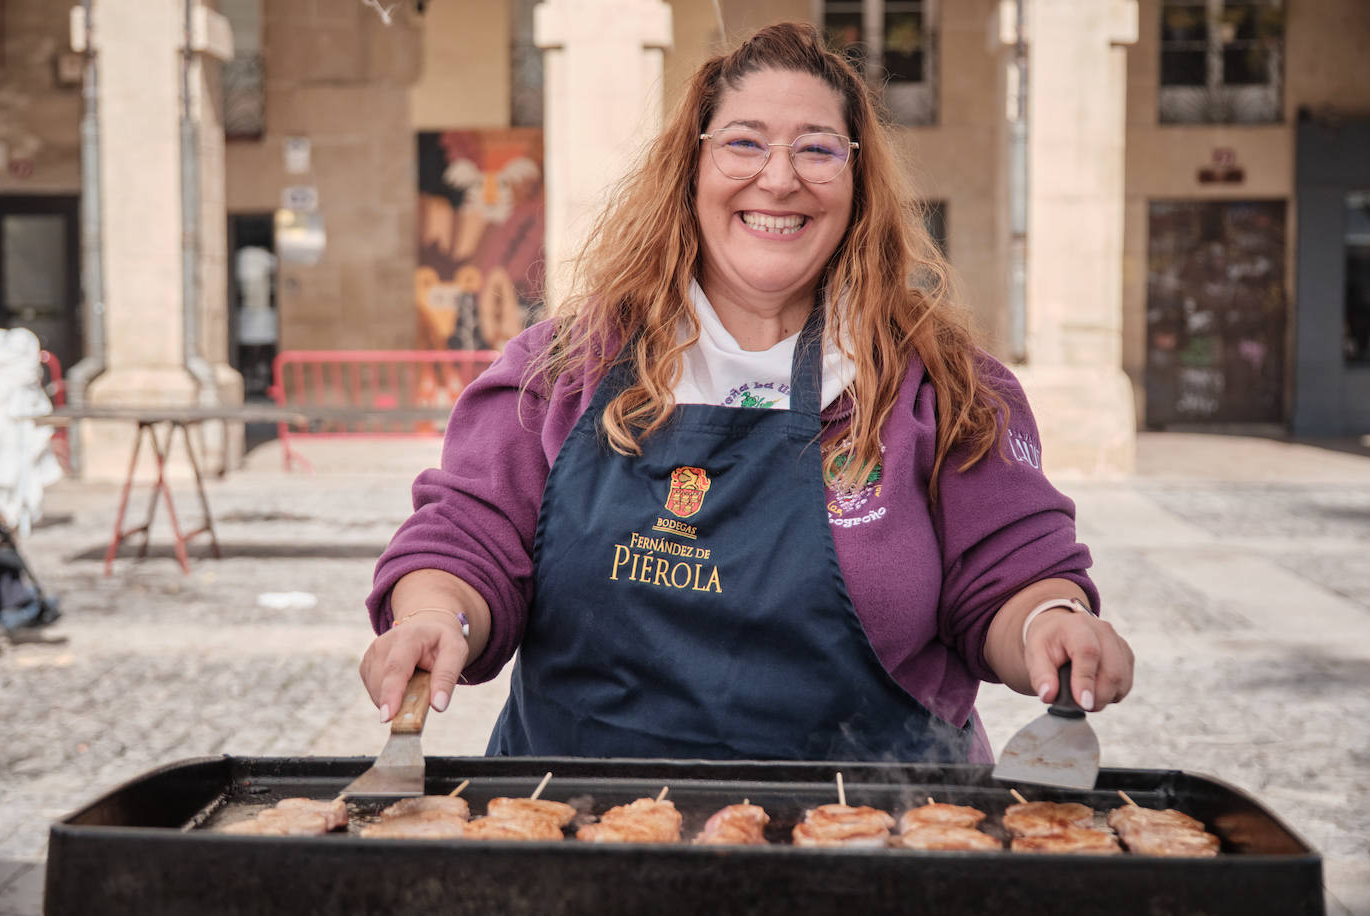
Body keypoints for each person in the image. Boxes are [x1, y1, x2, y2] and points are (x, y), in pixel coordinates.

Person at [360, 22, 1133, 763]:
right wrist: (435, 616)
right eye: (744, 142)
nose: (779, 176)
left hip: (873, 834)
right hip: (582, 831)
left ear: (858, 181)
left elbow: (1009, 568)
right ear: (689, 169)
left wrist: (1047, 619)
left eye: (818, 149)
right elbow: (469, 535)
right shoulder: (562, 371)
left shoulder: (946, 386)